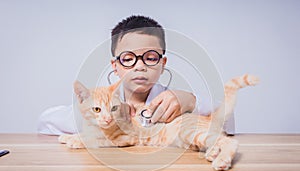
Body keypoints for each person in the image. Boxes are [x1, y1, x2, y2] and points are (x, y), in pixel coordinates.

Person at [37, 15, 235, 135]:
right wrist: (99, 120)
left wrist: (193, 102)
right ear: (115, 66)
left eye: (150, 57)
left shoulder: (175, 101)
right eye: (128, 58)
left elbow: (229, 124)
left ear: (162, 63)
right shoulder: (101, 105)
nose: (140, 66)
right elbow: (45, 122)